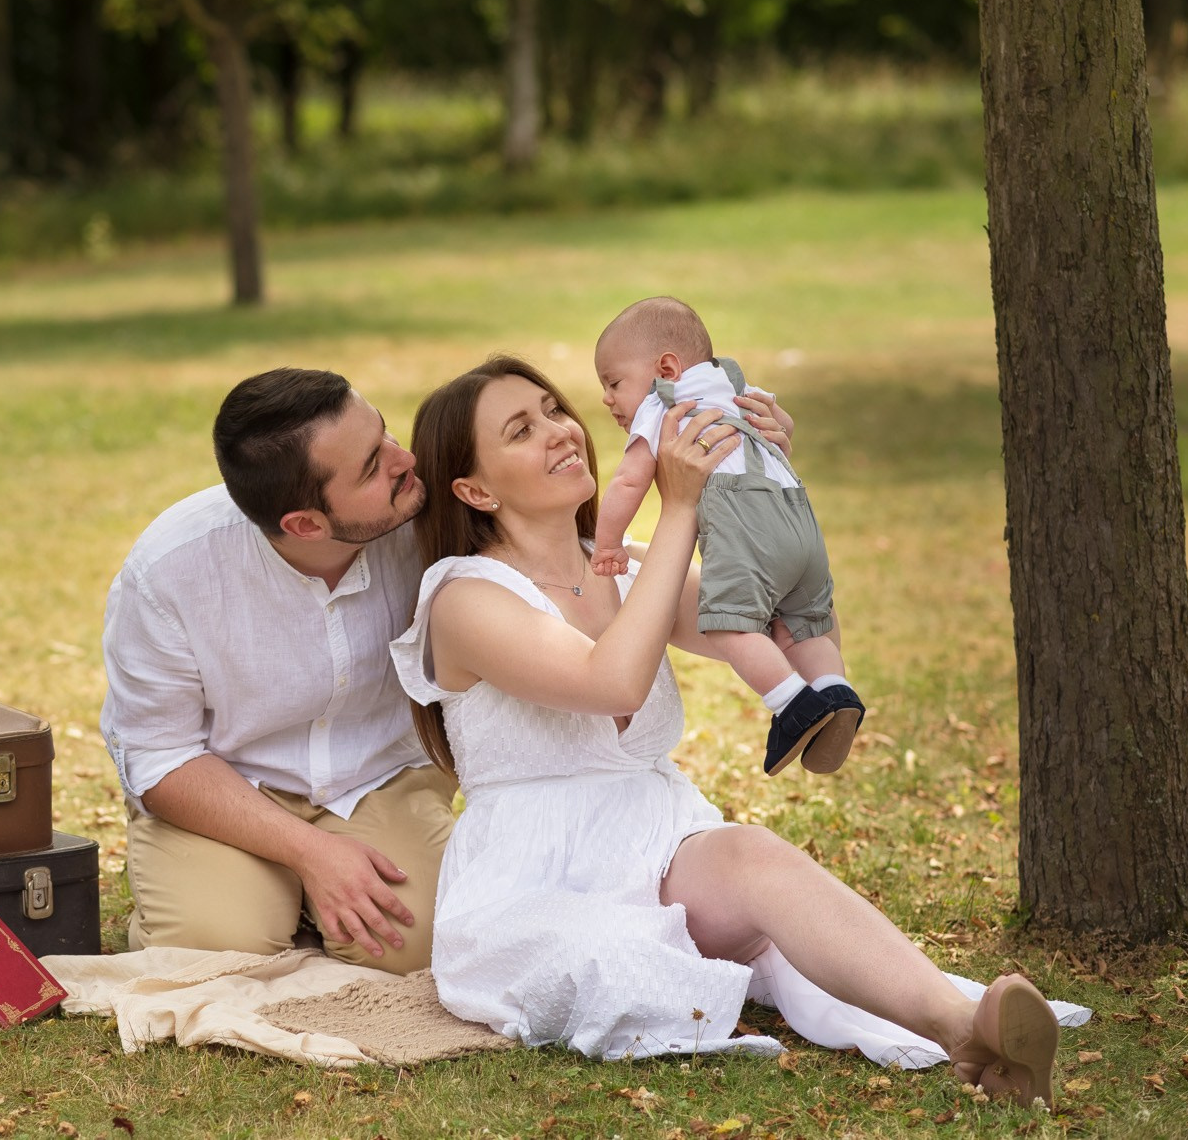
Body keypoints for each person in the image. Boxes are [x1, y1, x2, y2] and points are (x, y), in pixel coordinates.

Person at [388, 354, 1077, 1103]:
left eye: (555, 409)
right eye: (522, 429)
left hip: (652, 835)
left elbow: (790, 622)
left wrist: (768, 476)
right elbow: (607, 680)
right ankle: (897, 1014)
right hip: (532, 877)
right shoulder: (464, 599)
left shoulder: (625, 570)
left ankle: (962, 1028)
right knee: (613, 958)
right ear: (474, 488)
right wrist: (679, 507)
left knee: (751, 853)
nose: (560, 432)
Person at [98, 364, 793, 974]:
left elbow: (567, 534)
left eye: (386, 434)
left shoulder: (430, 516)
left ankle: (319, 901)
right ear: (306, 523)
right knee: (215, 948)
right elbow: (160, 755)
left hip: (378, 780)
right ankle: (263, 889)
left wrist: (744, 459)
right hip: (229, 790)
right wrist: (310, 851)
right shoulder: (170, 572)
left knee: (435, 941)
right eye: (372, 466)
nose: (404, 461)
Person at [590, 296, 862, 776]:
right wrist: (785, 429)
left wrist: (609, 542)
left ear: (666, 368)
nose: (607, 399)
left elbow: (629, 480)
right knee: (801, 623)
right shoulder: (730, 381)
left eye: (613, 383)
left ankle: (794, 705)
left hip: (747, 525)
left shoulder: (664, 403)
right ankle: (835, 690)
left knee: (727, 624)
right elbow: (778, 422)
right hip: (797, 515)